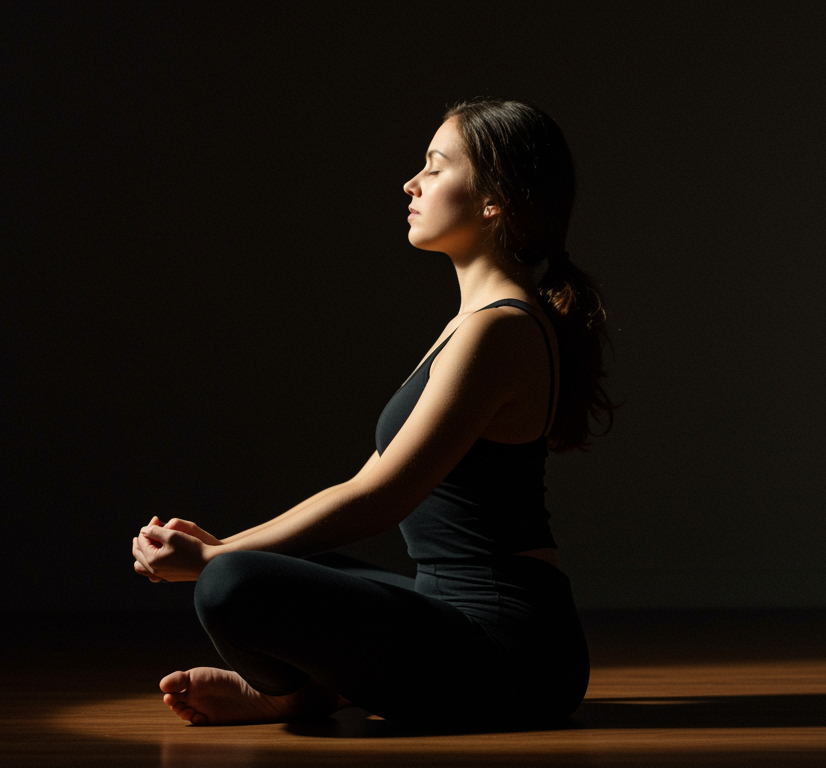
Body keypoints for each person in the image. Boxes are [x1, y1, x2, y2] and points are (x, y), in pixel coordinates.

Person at [129, 98, 614, 728]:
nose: (412, 183)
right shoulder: (474, 324)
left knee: (232, 585)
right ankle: (315, 691)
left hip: (514, 651)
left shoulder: (500, 330)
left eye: (435, 167)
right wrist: (222, 546)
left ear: (494, 200)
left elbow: (381, 499)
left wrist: (212, 564)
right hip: (449, 614)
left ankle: (297, 695)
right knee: (266, 567)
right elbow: (364, 481)